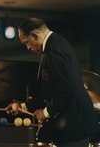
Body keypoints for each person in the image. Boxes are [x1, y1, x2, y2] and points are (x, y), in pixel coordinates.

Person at [7, 18, 98, 147]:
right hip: (69, 125)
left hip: (74, 126)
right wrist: (23, 106)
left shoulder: (56, 49)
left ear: (35, 35)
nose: (27, 47)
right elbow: (49, 91)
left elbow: (68, 89)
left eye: (27, 42)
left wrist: (45, 113)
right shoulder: (52, 46)